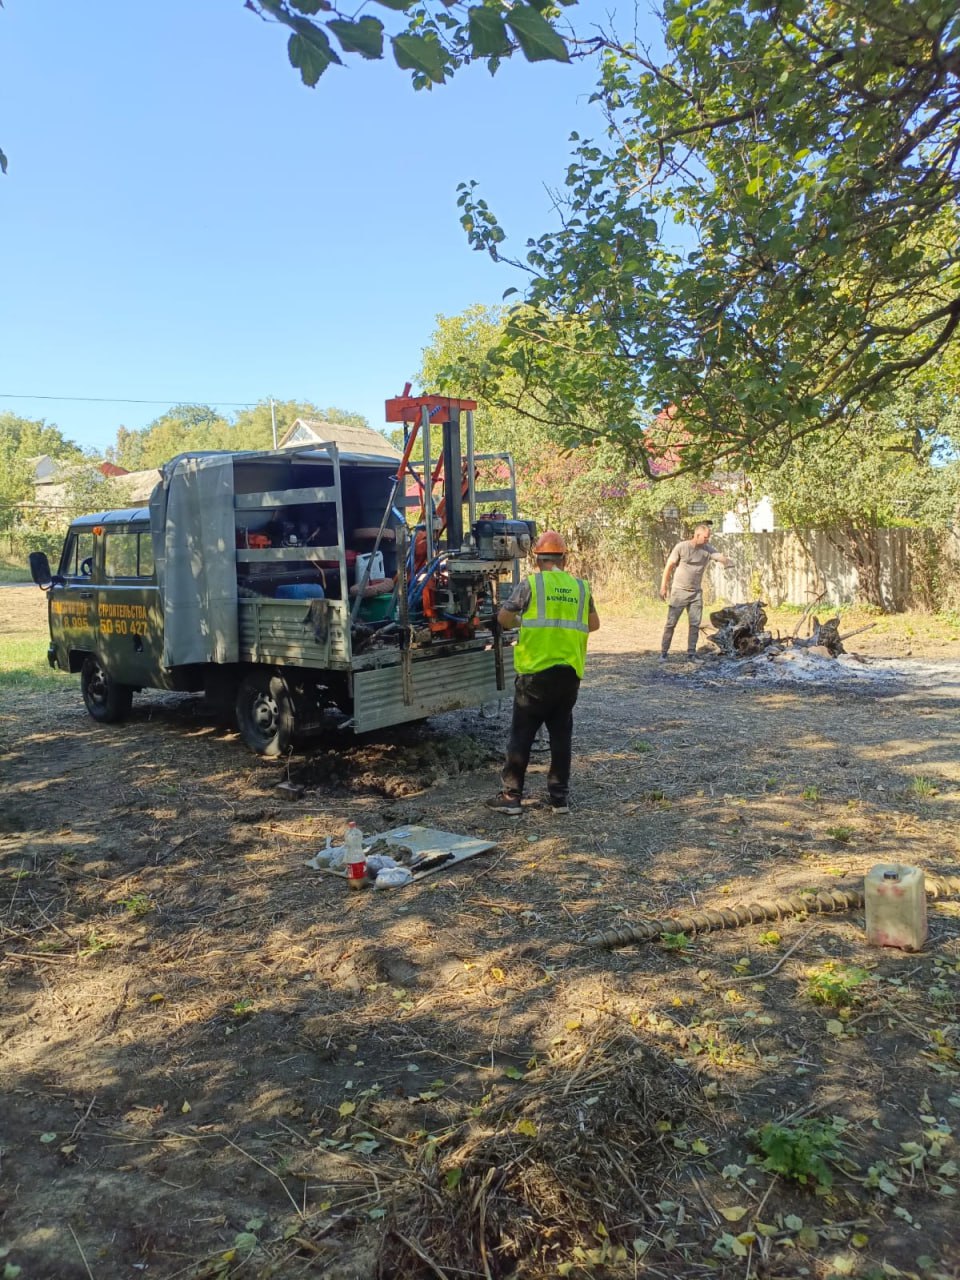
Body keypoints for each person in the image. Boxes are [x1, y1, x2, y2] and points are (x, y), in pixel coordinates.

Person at [485, 530, 600, 816]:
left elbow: (504, 618)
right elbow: (593, 624)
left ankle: (511, 797)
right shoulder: (580, 587)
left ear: (537, 560)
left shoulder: (531, 585)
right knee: (561, 736)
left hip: (535, 674)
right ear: (564, 559)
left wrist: (521, 622)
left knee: (521, 736)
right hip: (569, 673)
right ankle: (559, 799)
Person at [659, 522, 731, 659]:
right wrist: (664, 586)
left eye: (708, 537)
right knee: (671, 623)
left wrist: (726, 561)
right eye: (705, 537)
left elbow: (718, 556)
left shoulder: (707, 549)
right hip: (679, 592)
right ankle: (664, 652)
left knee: (694, 625)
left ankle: (691, 653)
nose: (707, 540)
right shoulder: (682, 547)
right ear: (697, 535)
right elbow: (669, 566)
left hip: (696, 593)